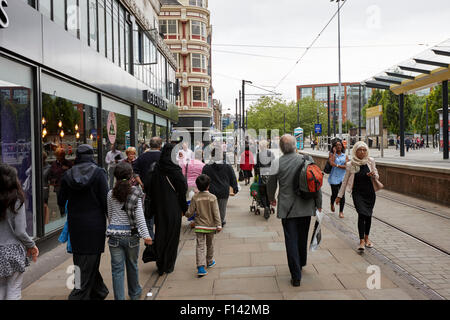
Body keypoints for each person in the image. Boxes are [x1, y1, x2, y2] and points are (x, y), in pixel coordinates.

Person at [267, 135, 322, 287]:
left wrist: (271, 198)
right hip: (306, 206)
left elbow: (271, 184)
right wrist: (319, 204)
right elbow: (316, 183)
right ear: (295, 146)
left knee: (291, 240)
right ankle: (302, 261)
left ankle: (296, 275)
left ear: (281, 148)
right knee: (302, 236)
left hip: (287, 209)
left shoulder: (277, 163)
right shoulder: (307, 160)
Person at [58, 144, 109, 300]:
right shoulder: (99, 173)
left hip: (76, 224)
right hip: (95, 224)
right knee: (89, 260)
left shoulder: (67, 175)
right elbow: (105, 199)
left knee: (81, 260)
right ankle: (78, 295)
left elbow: (61, 199)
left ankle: (99, 292)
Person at [106, 162, 152, 300]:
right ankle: (135, 293)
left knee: (117, 270)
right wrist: (146, 235)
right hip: (131, 236)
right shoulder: (135, 193)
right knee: (132, 266)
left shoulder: (110, 193)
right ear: (131, 176)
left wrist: (113, 227)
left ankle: (119, 298)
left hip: (114, 236)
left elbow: (110, 214)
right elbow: (139, 217)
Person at [145, 143, 188, 275]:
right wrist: (184, 207)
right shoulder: (175, 169)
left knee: (161, 233)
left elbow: (148, 187)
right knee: (172, 235)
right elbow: (182, 188)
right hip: (173, 207)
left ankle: (160, 262)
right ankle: (168, 264)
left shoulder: (156, 168)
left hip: (159, 207)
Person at [0, 164, 39, 300]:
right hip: (12, 252)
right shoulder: (16, 200)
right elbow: (20, 232)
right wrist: (31, 245)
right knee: (13, 289)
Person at [336, 141, 378, 251]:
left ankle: (367, 238)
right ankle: (361, 241)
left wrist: (373, 175)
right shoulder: (351, 164)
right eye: (360, 150)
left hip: (370, 193)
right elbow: (345, 181)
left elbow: (377, 175)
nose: (362, 152)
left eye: (364, 150)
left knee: (368, 215)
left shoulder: (370, 161)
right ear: (355, 151)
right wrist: (339, 196)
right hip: (357, 194)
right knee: (361, 214)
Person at [185, 175, 222, 277]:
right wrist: (219, 224)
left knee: (200, 246)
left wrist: (185, 213)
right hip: (210, 226)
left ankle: (201, 267)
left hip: (200, 226)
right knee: (209, 244)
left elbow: (190, 212)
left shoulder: (195, 198)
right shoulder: (212, 197)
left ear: (197, 186)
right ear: (208, 186)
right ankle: (209, 261)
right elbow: (216, 212)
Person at [133, 137, 162, 239]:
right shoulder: (163, 157)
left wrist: (142, 183)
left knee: (148, 217)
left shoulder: (142, 157)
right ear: (160, 145)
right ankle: (159, 241)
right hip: (161, 192)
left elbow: (135, 171)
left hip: (147, 191)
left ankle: (151, 241)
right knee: (160, 219)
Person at [202, 148, 239, 227]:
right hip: (223, 191)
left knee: (212, 208)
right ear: (222, 156)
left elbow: (203, 179)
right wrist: (235, 188)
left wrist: (202, 190)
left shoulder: (206, 167)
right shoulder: (227, 166)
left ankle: (213, 221)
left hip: (211, 191)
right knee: (222, 209)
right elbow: (233, 178)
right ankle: (220, 222)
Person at [48, 147, 72, 217]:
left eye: (63, 155)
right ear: (57, 156)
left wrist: (67, 169)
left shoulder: (68, 163)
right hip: (58, 187)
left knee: (68, 203)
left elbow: (73, 173)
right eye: (60, 155)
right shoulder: (54, 165)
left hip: (68, 187)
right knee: (60, 203)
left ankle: (68, 216)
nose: (62, 157)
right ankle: (63, 216)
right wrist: (53, 181)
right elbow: (50, 176)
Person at [254, 140, 275, 219]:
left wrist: (256, 175)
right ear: (267, 146)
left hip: (261, 176)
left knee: (262, 193)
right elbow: (274, 164)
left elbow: (256, 166)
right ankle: (268, 206)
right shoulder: (271, 154)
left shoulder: (258, 155)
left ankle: (266, 206)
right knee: (269, 193)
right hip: (270, 176)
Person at [328, 140, 348, 219]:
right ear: (334, 147)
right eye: (336, 145)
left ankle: (341, 212)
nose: (339, 146)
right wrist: (334, 153)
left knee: (342, 194)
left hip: (342, 177)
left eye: (340, 145)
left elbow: (346, 167)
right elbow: (331, 163)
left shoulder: (345, 156)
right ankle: (332, 203)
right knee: (334, 193)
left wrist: (337, 165)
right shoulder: (331, 154)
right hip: (333, 177)